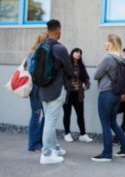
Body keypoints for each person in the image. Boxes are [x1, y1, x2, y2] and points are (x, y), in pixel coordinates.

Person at [92, 34, 125, 162]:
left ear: (110, 44)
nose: (104, 44)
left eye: (106, 42)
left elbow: (96, 75)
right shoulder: (122, 59)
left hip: (106, 93)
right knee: (113, 122)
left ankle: (106, 153)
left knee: (105, 123)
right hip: (116, 95)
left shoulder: (108, 59)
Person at [39, 19, 74, 164]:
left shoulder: (41, 46)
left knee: (48, 120)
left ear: (47, 30)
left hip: (43, 89)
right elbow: (70, 70)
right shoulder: (60, 49)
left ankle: (55, 148)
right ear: (58, 30)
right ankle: (46, 154)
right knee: (50, 122)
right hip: (56, 89)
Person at [63, 48, 93, 143]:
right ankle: (67, 133)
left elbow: (86, 78)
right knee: (67, 114)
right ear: (72, 53)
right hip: (67, 94)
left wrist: (87, 84)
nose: (78, 54)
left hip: (78, 94)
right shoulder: (66, 65)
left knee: (80, 115)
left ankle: (83, 134)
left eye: (80, 52)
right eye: (76, 52)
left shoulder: (81, 66)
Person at [26, 32, 48, 152]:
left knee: (37, 115)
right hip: (38, 87)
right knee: (39, 115)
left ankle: (38, 143)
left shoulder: (31, 52)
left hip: (34, 87)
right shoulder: (42, 53)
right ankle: (35, 144)